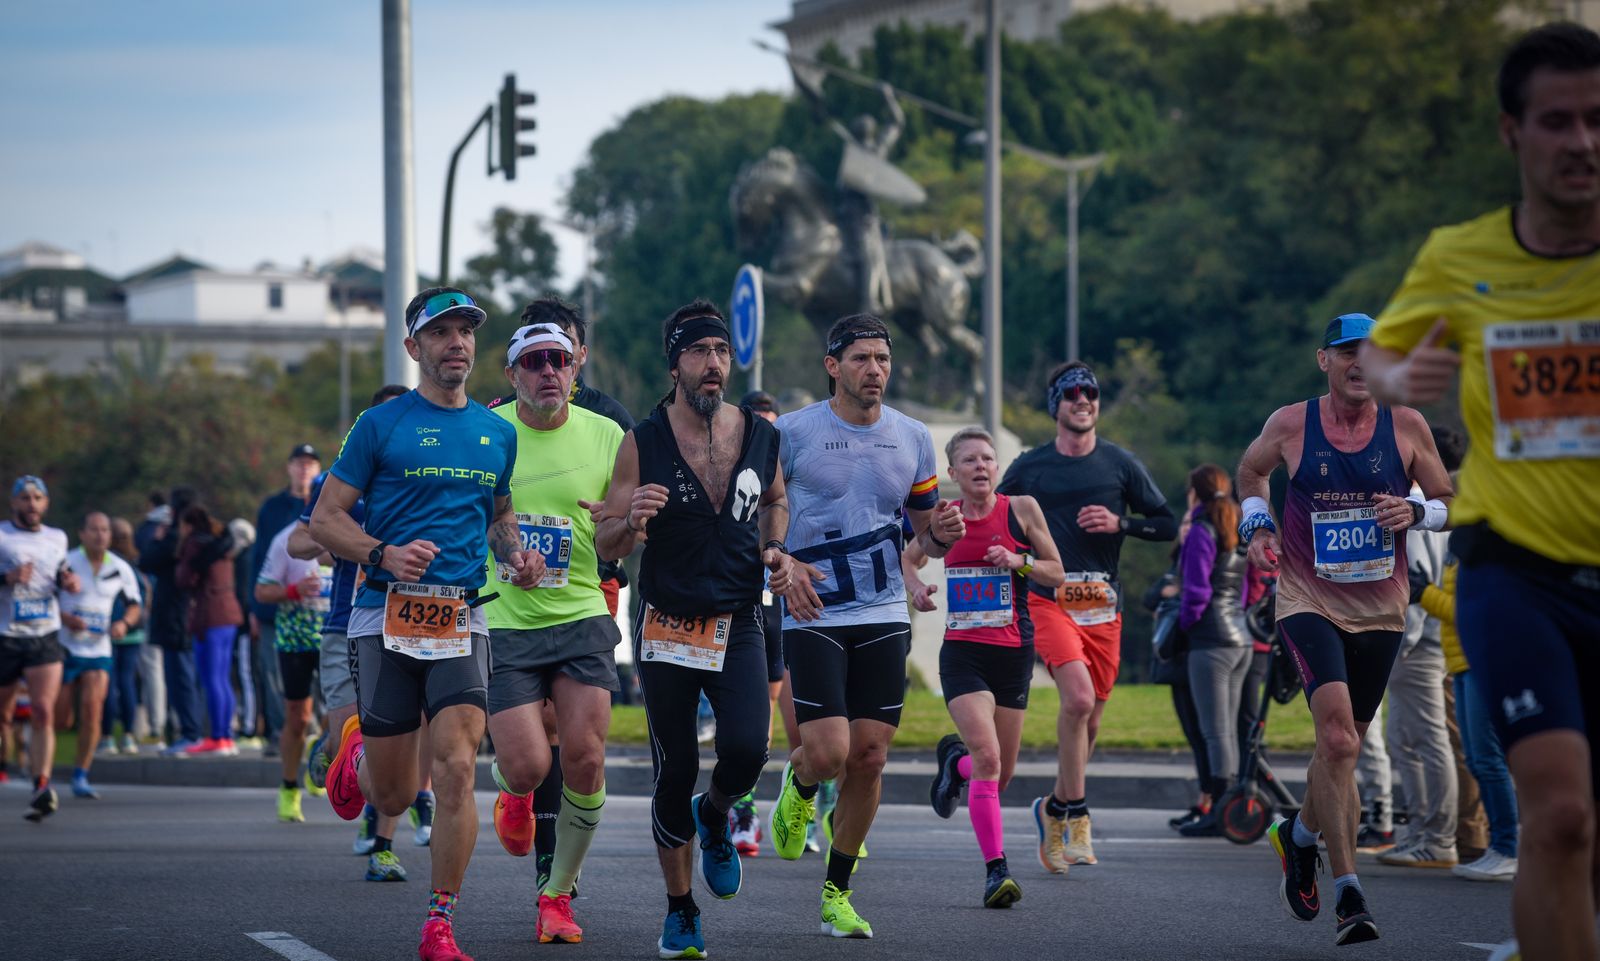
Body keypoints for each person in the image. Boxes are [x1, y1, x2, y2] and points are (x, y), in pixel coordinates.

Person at [1359, 24, 1600, 960]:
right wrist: (1394, 375)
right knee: (1564, 814)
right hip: (1514, 568)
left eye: (1596, 119)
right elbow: (1382, 349)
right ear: (1513, 133)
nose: (1581, 141)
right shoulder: (1460, 254)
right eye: (1557, 121)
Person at [313, 286, 542, 961]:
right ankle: (357, 748)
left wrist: (517, 554)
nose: (457, 344)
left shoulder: (497, 432)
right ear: (414, 347)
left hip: (461, 615)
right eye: (441, 333)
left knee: (457, 767)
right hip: (382, 612)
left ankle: (440, 919)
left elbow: (499, 516)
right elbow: (326, 518)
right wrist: (382, 551)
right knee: (391, 790)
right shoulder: (380, 425)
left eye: (466, 332)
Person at [595, 299, 806, 959]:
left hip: (738, 616)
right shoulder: (644, 440)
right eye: (700, 352)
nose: (714, 364)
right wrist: (632, 520)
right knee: (675, 764)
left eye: (721, 351)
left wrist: (777, 548)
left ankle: (713, 814)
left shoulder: (760, 435)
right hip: (666, 622)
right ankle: (680, 909)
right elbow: (606, 538)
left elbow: (775, 498)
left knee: (747, 750)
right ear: (676, 362)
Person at [1237, 311, 1454, 946]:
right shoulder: (1291, 423)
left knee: (1348, 744)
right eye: (1346, 351)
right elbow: (1251, 473)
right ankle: (1349, 892)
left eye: (1373, 351)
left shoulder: (1407, 426)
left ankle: (1298, 836)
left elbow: (1452, 501)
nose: (1361, 362)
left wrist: (1414, 509)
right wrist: (1257, 526)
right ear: (1324, 361)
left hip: (1382, 606)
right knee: (1336, 741)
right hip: (1307, 598)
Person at [767, 312, 964, 939]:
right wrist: (781, 561)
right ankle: (799, 786)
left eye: (882, 358)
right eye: (861, 359)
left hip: (882, 608)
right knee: (828, 752)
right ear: (833, 367)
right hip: (813, 607)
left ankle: (837, 892)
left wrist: (942, 535)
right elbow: (763, 514)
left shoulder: (913, 436)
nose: (874, 370)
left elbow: (924, 534)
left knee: (871, 757)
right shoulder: (791, 433)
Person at [997, 361, 1177, 870]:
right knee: (1076, 699)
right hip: (1047, 598)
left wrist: (1121, 523)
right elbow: (997, 516)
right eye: (1073, 393)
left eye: (1091, 392)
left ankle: (1052, 806)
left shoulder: (1120, 464)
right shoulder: (1030, 468)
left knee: (1091, 720)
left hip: (1102, 606)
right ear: (1056, 404)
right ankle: (1075, 817)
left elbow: (1167, 525)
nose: (1083, 400)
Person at [483, 316, 625, 944]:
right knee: (528, 766)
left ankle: (557, 896)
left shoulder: (609, 435)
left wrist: (624, 522)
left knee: (586, 759)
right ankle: (512, 790)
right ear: (511, 373)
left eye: (559, 361)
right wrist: (514, 555)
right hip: (506, 621)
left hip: (581, 616)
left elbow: (624, 532)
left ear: (576, 369)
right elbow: (487, 515)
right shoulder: (490, 434)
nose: (548, 372)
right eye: (534, 361)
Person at [906, 426, 1064, 906]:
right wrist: (916, 588)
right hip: (964, 655)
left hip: (1013, 652)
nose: (980, 466)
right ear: (953, 473)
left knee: (1000, 771)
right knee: (991, 760)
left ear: (997, 468)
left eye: (988, 459)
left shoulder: (1021, 510)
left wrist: (1018, 560)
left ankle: (956, 764)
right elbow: (906, 559)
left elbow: (1056, 572)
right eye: (970, 460)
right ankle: (997, 872)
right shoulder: (945, 519)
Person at [290, 382, 416, 883]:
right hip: (347, 623)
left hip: (407, 624)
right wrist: (349, 541)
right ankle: (324, 750)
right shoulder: (346, 482)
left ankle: (383, 845)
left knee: (392, 736)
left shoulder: (424, 482)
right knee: (349, 736)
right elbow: (301, 540)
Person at [1171, 466, 1252, 838]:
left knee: (1214, 732)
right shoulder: (1236, 526)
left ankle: (1220, 810)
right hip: (1240, 637)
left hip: (1211, 641)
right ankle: (1232, 806)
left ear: (1195, 495)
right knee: (1228, 732)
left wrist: (1185, 625)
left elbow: (1197, 592)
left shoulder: (1201, 531)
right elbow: (1247, 588)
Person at [0, 476, 82, 821]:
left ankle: (42, 785)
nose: (31, 504)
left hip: (44, 634)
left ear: (45, 504)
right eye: (25, 498)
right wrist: (6, 579)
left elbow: (61, 572)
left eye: (37, 498)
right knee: (3, 716)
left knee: (43, 711)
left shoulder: (57, 537)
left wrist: (69, 581)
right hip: (5, 634)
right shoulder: (2, 535)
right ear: (13, 503)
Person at [731, 388, 783, 857]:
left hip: (777, 602)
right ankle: (740, 807)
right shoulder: (729, 461)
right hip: (732, 596)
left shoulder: (784, 472)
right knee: (742, 716)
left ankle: (798, 802)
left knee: (771, 710)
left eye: (773, 424)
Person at [58, 511, 142, 799]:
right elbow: (45, 598)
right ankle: (37, 760)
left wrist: (124, 623)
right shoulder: (67, 562)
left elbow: (134, 605)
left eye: (105, 530)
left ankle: (81, 774)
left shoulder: (120, 567)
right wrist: (65, 618)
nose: (100, 535)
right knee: (61, 719)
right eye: (93, 529)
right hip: (65, 647)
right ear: (82, 534)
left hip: (99, 649)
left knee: (93, 712)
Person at [255, 522, 334, 824]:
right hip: (296, 640)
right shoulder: (285, 539)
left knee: (344, 713)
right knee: (297, 718)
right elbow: (261, 591)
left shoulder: (355, 528)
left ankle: (322, 747)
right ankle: (289, 787)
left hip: (336, 636)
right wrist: (293, 590)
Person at [249, 445, 322, 755]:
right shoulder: (274, 510)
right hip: (286, 620)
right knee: (282, 688)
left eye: (310, 464)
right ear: (289, 467)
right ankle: (281, 739)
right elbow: (261, 567)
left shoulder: (344, 514)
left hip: (333, 623)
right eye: (299, 463)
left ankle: (324, 746)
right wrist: (256, 609)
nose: (304, 469)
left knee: (338, 699)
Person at [140, 487, 205, 754]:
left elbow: (146, 560)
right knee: (181, 674)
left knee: (180, 675)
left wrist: (157, 539)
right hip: (181, 612)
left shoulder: (175, 537)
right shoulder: (195, 537)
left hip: (174, 613)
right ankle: (187, 731)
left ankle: (190, 732)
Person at [175, 504, 243, 756]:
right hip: (229, 614)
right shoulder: (221, 543)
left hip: (208, 616)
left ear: (187, 525)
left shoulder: (195, 545)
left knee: (211, 678)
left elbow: (184, 579)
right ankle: (226, 736)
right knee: (223, 678)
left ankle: (216, 737)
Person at [105, 517, 150, 755]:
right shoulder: (136, 561)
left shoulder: (108, 563)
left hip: (111, 630)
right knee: (128, 683)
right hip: (134, 631)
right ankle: (130, 736)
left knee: (109, 684)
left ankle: (107, 737)